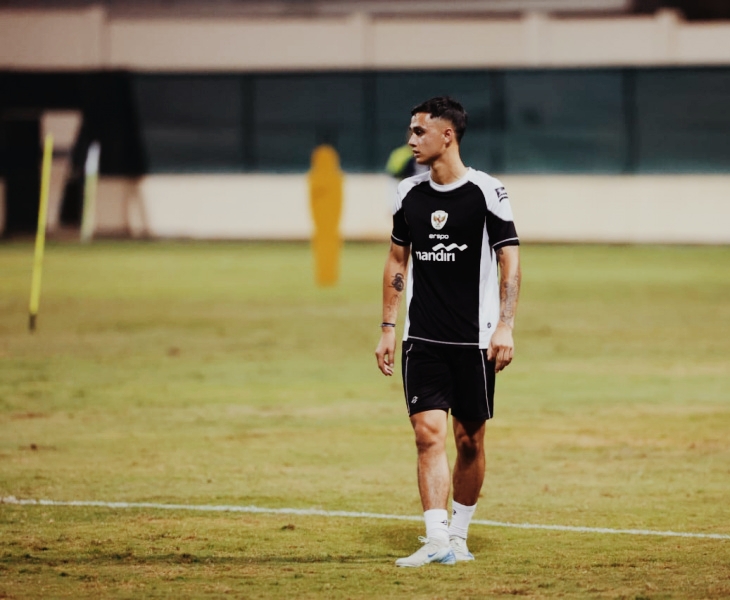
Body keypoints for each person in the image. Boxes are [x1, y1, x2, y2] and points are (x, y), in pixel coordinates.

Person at [375, 96, 521, 568]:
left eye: (419, 131)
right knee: (427, 434)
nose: (411, 140)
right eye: (411, 130)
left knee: (469, 441)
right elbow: (397, 259)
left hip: (475, 339)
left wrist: (505, 325)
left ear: (447, 135)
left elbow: (509, 259)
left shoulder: (487, 191)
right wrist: (388, 327)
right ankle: (436, 537)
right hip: (423, 337)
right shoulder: (408, 194)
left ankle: (458, 535)